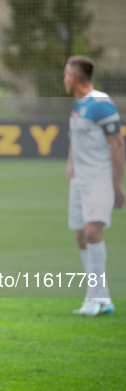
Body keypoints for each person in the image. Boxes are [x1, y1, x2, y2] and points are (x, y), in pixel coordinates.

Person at [64, 56, 124, 316]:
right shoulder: (78, 105)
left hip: (99, 179)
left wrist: (117, 185)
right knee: (80, 235)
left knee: (92, 233)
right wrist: (70, 162)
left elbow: (117, 145)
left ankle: (94, 297)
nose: (64, 79)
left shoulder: (101, 103)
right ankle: (102, 298)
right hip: (79, 181)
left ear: (74, 78)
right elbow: (75, 138)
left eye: (66, 74)